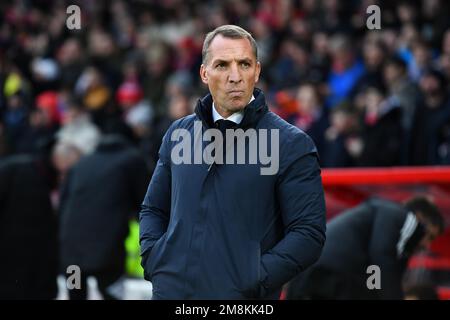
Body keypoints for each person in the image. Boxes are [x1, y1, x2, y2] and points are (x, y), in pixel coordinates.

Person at [139, 25, 326, 300]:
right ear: (204, 73)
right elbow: (153, 209)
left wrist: (251, 279)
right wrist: (157, 261)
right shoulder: (178, 134)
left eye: (244, 64)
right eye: (223, 65)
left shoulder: (291, 144)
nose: (235, 76)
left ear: (257, 71)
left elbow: (308, 234)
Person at [286, 196, 445, 300]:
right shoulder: (399, 216)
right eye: (429, 235)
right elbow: (381, 256)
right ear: (419, 217)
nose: (426, 245)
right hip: (329, 278)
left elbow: (375, 271)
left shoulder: (373, 216)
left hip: (305, 276)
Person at [59, 134, 149, 299]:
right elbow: (145, 203)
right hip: (107, 250)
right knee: (111, 292)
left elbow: (63, 203)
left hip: (71, 252)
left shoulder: (81, 163)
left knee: (75, 292)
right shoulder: (131, 160)